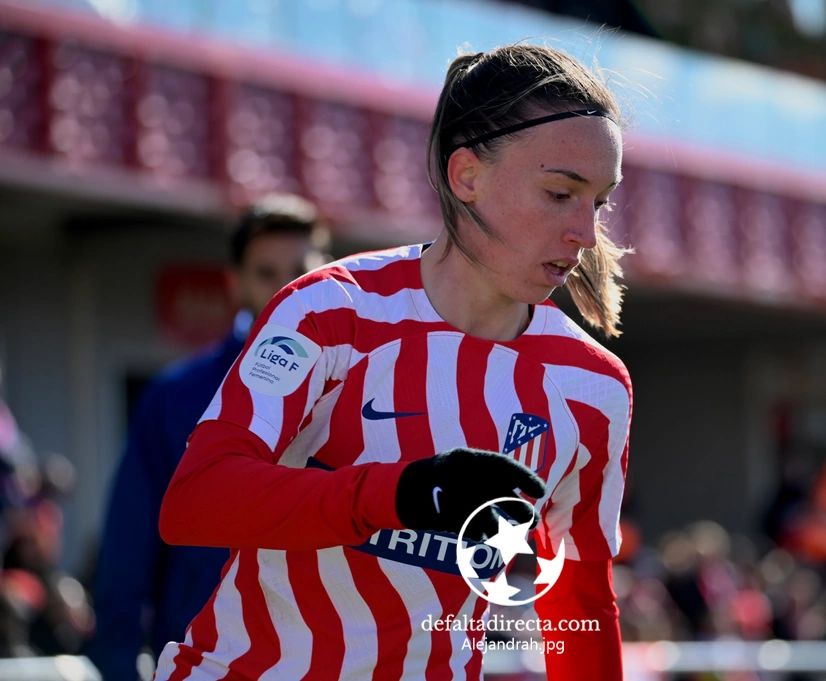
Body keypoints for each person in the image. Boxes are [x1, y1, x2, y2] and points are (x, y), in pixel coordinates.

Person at [155, 44, 633, 681]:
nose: (584, 230)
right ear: (467, 176)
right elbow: (195, 502)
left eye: (598, 203)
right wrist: (403, 491)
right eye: (559, 193)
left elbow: (579, 598)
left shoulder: (594, 386)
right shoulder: (331, 311)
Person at [89, 194, 330, 681]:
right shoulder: (175, 397)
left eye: (301, 268)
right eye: (266, 272)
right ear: (235, 282)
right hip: (209, 658)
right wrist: (117, 662)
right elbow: (129, 542)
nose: (287, 287)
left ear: (329, 271)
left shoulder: (363, 391)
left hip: (338, 654)